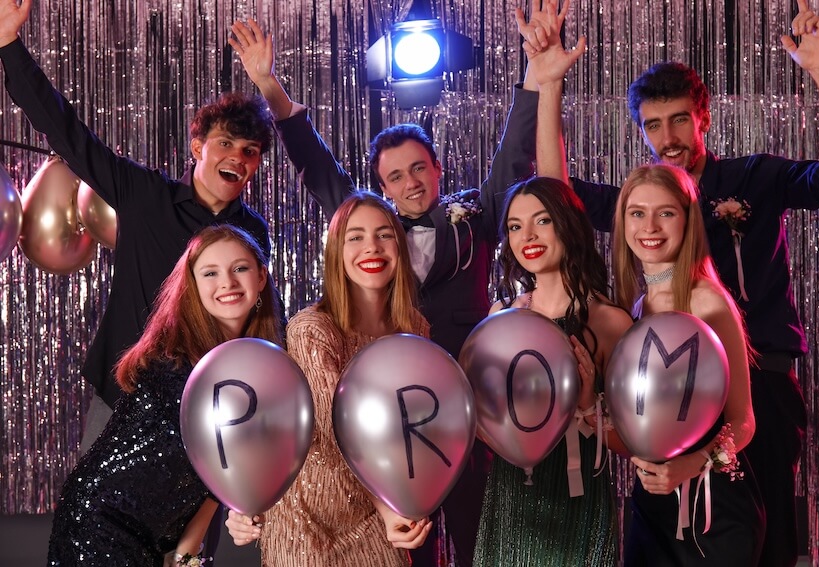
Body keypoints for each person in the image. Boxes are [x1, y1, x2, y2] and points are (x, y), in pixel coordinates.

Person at [518, 1, 819, 563]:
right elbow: (558, 199)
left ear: (704, 117)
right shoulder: (640, 198)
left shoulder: (754, 178)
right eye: (652, 124)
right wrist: (548, 87)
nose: (667, 136)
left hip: (758, 390)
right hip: (667, 399)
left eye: (678, 119)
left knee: (761, 546)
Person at [227, 18, 537, 567]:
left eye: (419, 168)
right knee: (403, 543)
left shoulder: (474, 216)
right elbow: (316, 166)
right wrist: (269, 85)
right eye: (395, 176)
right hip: (383, 428)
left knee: (471, 542)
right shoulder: (371, 234)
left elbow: (513, 158)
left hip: (464, 416)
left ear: (438, 169)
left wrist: (536, 78)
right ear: (381, 185)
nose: (410, 182)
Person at [0, 0, 278, 453]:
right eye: (226, 143)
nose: (238, 157)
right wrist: (9, 45)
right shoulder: (145, 196)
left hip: (209, 409)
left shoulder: (253, 232)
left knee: (194, 527)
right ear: (197, 148)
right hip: (124, 398)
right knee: (93, 519)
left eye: (250, 151)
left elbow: (261, 322)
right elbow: (69, 135)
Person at [472, 4, 632, 565]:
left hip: (580, 505)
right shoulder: (503, 320)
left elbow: (635, 440)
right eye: (514, 227)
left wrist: (590, 409)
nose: (526, 236)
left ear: (566, 224)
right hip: (510, 502)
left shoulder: (609, 321)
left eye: (541, 221)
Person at [46, 224, 284, 566]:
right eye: (210, 273)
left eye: (240, 268)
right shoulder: (174, 360)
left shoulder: (261, 364)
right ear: (193, 287)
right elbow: (213, 460)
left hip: (158, 536)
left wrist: (188, 552)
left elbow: (216, 478)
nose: (227, 283)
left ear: (261, 277)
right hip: (99, 521)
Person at [225, 192, 431, 566]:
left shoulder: (415, 330)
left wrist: (404, 503)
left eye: (384, 234)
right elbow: (341, 431)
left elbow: (421, 430)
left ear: (400, 246)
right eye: (355, 237)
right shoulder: (312, 329)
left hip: (377, 516)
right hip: (307, 521)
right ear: (337, 252)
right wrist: (389, 508)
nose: (372, 246)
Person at [611, 163, 765, 564]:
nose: (650, 226)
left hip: (713, 512)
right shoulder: (638, 306)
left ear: (687, 220)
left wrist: (692, 465)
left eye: (665, 212)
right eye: (637, 212)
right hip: (654, 508)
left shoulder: (707, 300)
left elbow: (744, 422)